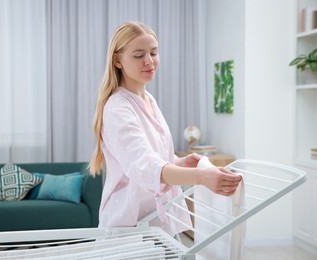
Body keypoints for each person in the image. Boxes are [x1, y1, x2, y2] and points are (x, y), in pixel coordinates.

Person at [89, 21, 242, 236]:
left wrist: (178, 163)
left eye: (153, 52)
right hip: (130, 224)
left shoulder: (148, 100)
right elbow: (144, 165)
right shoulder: (117, 108)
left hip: (158, 220)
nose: (149, 61)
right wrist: (200, 178)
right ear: (117, 60)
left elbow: (153, 158)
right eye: (138, 55)